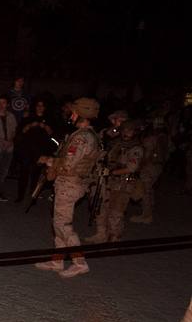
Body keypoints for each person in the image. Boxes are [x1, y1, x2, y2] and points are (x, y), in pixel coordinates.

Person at [36, 97, 101, 278]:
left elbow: (69, 165)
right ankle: (57, 260)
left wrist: (48, 161)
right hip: (69, 183)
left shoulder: (82, 138)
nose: (70, 115)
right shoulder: (86, 134)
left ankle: (79, 262)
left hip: (70, 184)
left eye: (73, 112)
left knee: (64, 224)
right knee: (58, 222)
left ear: (80, 114)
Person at [89, 120, 143, 244]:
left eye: (129, 130)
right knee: (101, 208)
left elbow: (131, 168)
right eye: (124, 130)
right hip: (109, 182)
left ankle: (114, 238)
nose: (126, 133)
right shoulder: (116, 144)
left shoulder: (136, 148)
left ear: (134, 132)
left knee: (116, 212)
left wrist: (111, 172)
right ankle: (101, 234)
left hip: (124, 184)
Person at [15, 99, 57, 203]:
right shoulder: (28, 117)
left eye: (42, 106)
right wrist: (30, 125)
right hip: (27, 149)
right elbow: (21, 131)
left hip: (40, 150)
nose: (40, 107)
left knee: (36, 174)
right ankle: (20, 196)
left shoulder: (49, 119)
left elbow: (52, 134)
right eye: (38, 105)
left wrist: (45, 127)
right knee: (24, 173)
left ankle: (33, 196)